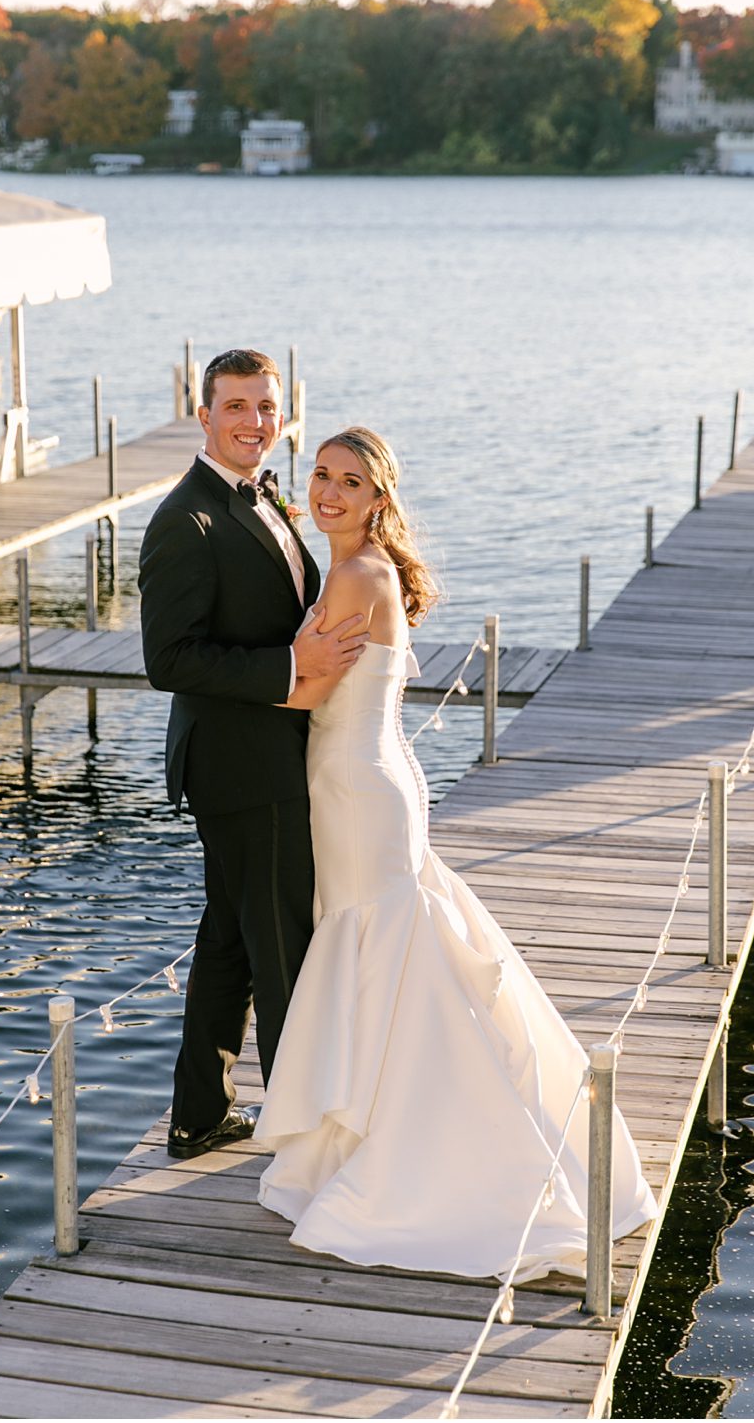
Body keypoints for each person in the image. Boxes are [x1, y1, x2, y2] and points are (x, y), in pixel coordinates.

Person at [254, 427, 657, 1278]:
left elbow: (305, 692)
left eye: (350, 481)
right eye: (321, 475)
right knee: (391, 951)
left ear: (378, 499)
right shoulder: (362, 568)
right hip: (371, 779)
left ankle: (427, 1147)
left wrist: (234, 669)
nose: (328, 492)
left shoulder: (356, 576)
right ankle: (365, 1128)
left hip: (357, 788)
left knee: (387, 958)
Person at [140, 348, 368, 1159]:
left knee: (231, 940)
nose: (254, 420)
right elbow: (168, 659)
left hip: (267, 754)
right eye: (236, 405)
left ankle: (199, 1115)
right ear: (203, 414)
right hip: (242, 766)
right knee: (282, 951)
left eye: (266, 406)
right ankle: (302, 1142)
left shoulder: (262, 494)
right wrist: (288, 668)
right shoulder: (186, 519)